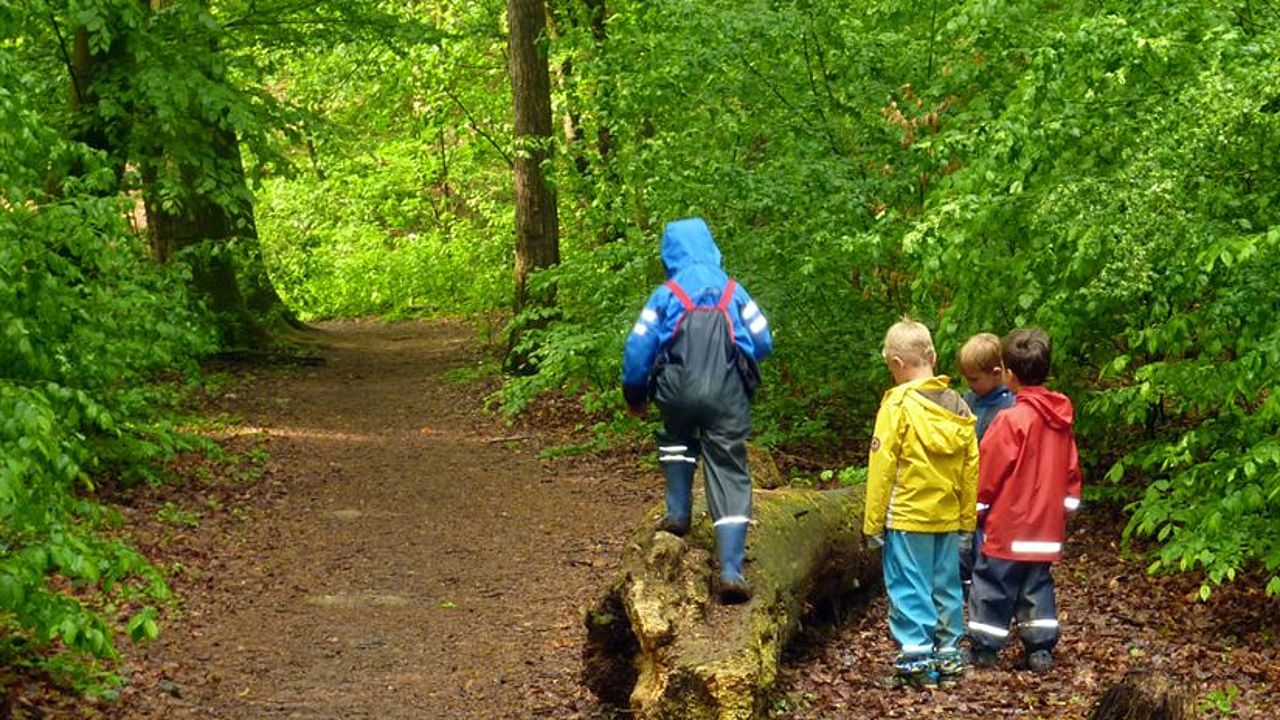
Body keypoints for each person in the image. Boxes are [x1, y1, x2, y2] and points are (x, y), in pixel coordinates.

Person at [621, 217, 773, 604]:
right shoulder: (735, 293)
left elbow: (638, 349)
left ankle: (677, 512)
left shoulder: (665, 295)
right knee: (729, 468)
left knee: (676, 438)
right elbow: (764, 340)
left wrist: (634, 394)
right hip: (727, 395)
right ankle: (731, 569)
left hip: (677, 392)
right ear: (710, 248)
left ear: (669, 254)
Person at [864, 317, 978, 688]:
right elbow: (969, 471)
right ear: (932, 354)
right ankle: (948, 658)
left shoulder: (896, 405)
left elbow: (882, 469)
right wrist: (967, 523)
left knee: (908, 586)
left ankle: (916, 662)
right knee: (946, 585)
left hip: (907, 516)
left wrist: (872, 523)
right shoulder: (959, 406)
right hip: (946, 517)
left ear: (896, 364)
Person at [967, 328, 1082, 673]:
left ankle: (985, 650)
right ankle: (1040, 650)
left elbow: (988, 472)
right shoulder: (1060, 422)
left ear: (1010, 376)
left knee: (992, 586)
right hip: (1045, 530)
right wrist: (1065, 510)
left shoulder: (1010, 420)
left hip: (1007, 527)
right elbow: (1071, 471)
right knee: (1037, 586)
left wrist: (975, 509)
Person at [956, 333, 1016, 599]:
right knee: (963, 552)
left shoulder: (1010, 406)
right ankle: (968, 598)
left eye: (974, 379)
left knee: (987, 552)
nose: (970, 385)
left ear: (996, 372)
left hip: (996, 497)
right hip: (968, 491)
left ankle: (992, 599)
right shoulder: (968, 401)